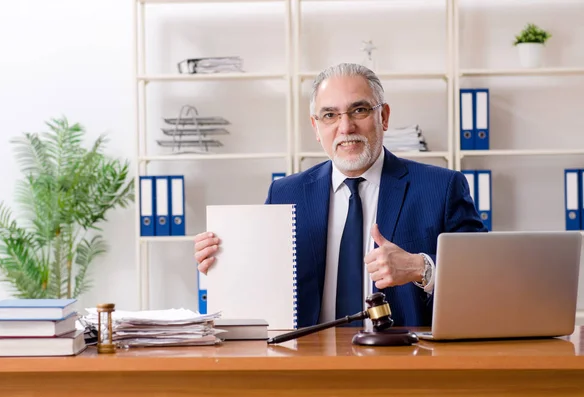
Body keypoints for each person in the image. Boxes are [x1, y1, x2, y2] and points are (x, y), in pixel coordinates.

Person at [194, 62, 487, 328]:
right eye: (330, 115)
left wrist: (420, 268)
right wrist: (224, 266)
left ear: (383, 116)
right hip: (306, 365)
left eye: (359, 110)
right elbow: (264, 291)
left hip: (405, 364)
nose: (345, 127)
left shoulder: (441, 187)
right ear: (316, 128)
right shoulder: (285, 193)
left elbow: (483, 280)